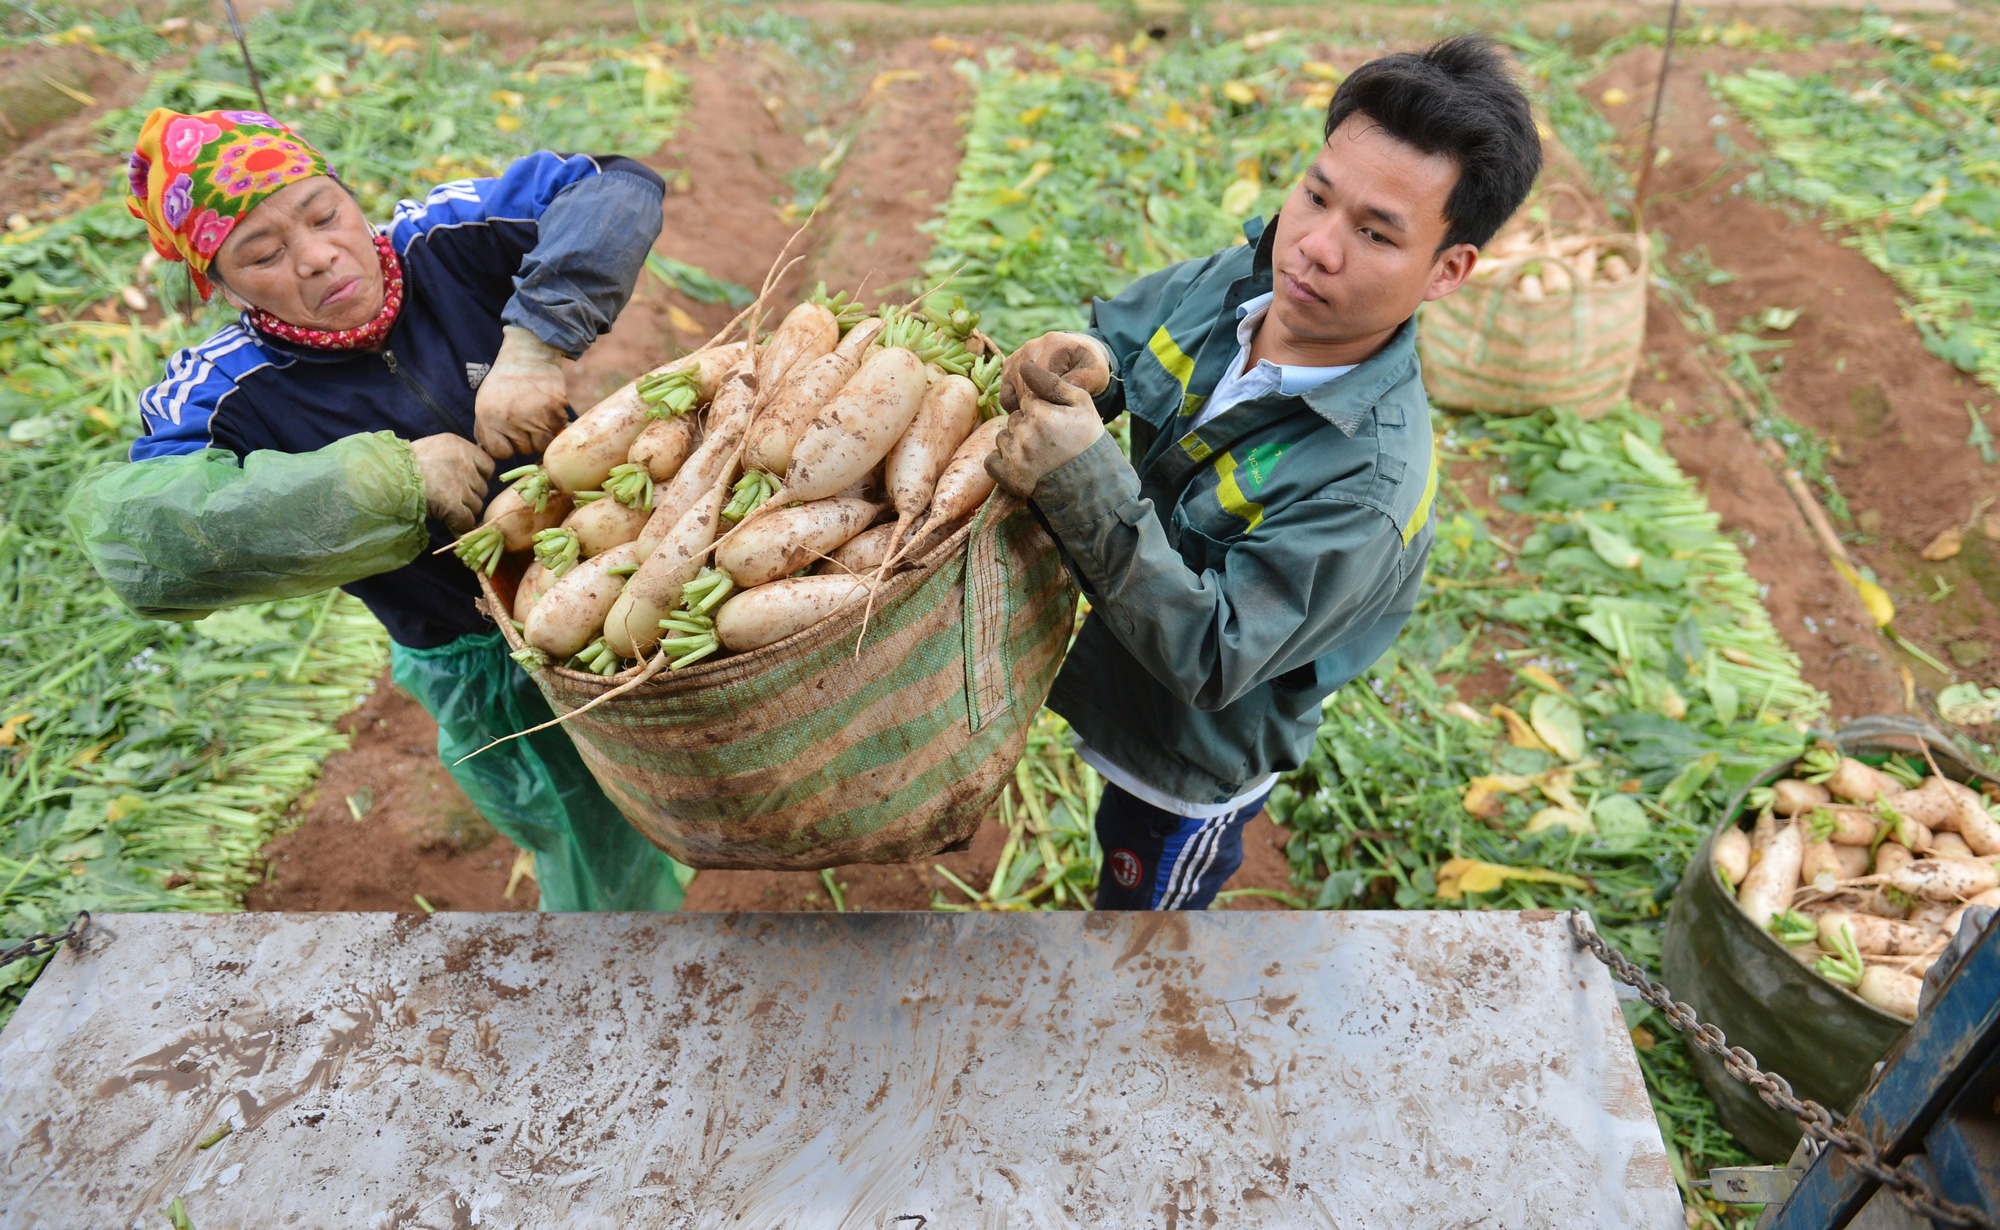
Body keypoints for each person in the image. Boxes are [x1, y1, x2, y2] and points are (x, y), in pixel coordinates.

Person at [66, 107, 686, 912]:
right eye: (264, 254)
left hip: (629, 572)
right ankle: (629, 955)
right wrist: (383, 481)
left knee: (683, 762)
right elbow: (140, 544)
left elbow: (615, 185)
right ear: (217, 286)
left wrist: (535, 340)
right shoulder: (222, 392)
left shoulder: (444, 239)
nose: (320, 257)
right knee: (580, 826)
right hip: (470, 649)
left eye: (325, 214)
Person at [987, 37, 1543, 910]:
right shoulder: (1239, 284)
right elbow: (1130, 340)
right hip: (1120, 672)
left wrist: (1084, 476)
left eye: (1374, 234)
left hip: (1193, 755)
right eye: (1316, 196)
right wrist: (1089, 360)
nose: (1315, 248)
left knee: (1144, 925)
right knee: (1111, 831)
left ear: (1448, 270)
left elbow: (1213, 656)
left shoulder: (1367, 483)